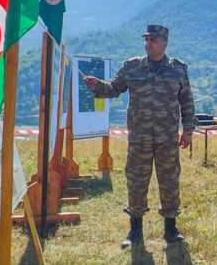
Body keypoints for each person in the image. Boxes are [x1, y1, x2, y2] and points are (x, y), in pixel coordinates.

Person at [83, 24, 195, 249]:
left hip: (167, 138)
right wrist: (98, 86)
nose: (148, 44)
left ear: (164, 43)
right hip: (140, 138)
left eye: (153, 40)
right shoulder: (132, 67)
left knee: (170, 182)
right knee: (136, 182)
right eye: (146, 40)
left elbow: (186, 101)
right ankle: (135, 231)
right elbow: (114, 88)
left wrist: (188, 130)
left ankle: (171, 228)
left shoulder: (178, 69)